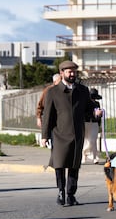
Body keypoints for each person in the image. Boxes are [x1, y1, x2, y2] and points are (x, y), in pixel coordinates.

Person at [41, 60, 103, 206]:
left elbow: (89, 109)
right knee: (60, 164)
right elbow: (47, 115)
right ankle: (61, 191)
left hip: (77, 133)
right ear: (62, 73)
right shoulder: (52, 92)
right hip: (58, 134)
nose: (72, 74)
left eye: (74, 71)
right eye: (69, 72)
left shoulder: (82, 91)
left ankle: (71, 195)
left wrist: (96, 112)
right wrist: (44, 135)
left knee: (74, 166)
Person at [82, 88, 102, 164]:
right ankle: (84, 156)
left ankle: (95, 157)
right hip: (86, 123)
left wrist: (99, 118)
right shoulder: (85, 104)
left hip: (94, 124)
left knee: (93, 141)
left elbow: (99, 116)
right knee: (85, 140)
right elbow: (84, 113)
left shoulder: (97, 104)